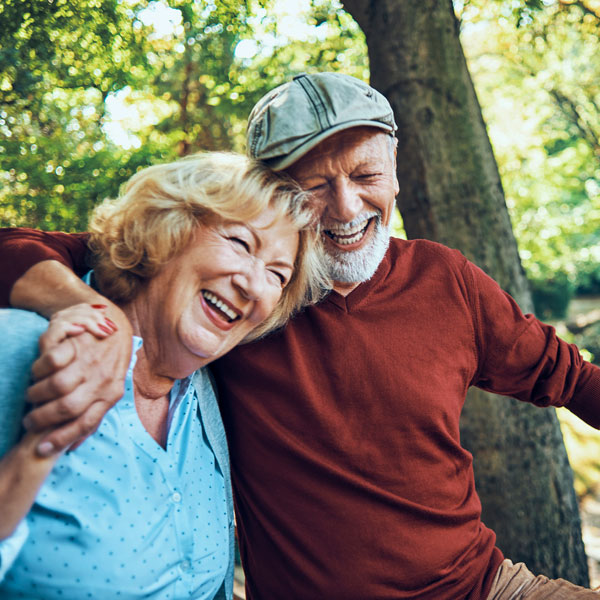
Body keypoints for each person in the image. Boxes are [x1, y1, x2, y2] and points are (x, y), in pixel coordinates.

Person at [1, 72, 600, 599]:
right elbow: (89, 248)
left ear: (395, 175)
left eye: (366, 174)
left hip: (484, 587)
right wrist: (87, 312)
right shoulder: (232, 309)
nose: (345, 207)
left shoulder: (443, 280)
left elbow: (571, 377)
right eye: (314, 185)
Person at [0, 150, 326, 599]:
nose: (253, 285)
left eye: (277, 273)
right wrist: (39, 448)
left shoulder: (210, 400)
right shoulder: (19, 349)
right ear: (167, 230)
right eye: (240, 242)